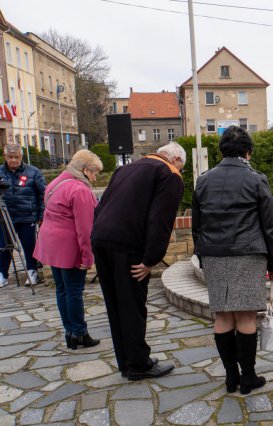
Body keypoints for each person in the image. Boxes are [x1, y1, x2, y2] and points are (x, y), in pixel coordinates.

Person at [193, 126, 273, 395]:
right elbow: (269, 226)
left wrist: (201, 253)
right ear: (248, 151)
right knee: (245, 316)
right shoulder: (256, 179)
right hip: (248, 253)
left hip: (215, 254)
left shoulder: (204, 179)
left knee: (222, 315)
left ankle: (231, 378)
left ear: (221, 150)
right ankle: (249, 377)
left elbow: (197, 224)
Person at [92, 142, 185, 380]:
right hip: (128, 245)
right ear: (175, 160)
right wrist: (150, 259)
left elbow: (100, 206)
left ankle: (126, 360)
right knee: (132, 306)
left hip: (101, 239)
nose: (180, 172)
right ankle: (138, 365)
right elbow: (160, 220)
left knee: (115, 306)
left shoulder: (125, 169)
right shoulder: (169, 174)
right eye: (181, 167)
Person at [34, 150, 103, 349]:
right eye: (94, 172)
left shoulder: (54, 183)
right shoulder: (80, 189)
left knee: (62, 290)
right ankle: (80, 333)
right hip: (68, 246)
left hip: (51, 243)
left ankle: (70, 332)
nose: (95, 177)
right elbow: (85, 228)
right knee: (74, 291)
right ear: (84, 170)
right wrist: (88, 257)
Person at [0, 144, 47, 288]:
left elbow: (43, 194)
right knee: (3, 246)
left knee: (29, 245)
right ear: (5, 157)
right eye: (10, 157)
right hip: (5, 218)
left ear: (21, 157)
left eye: (16, 157)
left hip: (27, 215)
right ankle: (2, 273)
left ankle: (32, 271)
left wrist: (41, 215)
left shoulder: (33, 172)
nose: (13, 160)